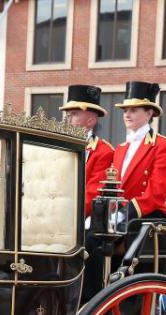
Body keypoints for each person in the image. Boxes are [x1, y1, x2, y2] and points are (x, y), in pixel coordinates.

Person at [112, 81, 166, 220]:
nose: (127, 115)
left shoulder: (163, 145)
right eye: (125, 111)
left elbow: (157, 192)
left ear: (148, 114)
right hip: (116, 214)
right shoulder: (120, 148)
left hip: (145, 215)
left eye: (133, 110)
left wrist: (125, 213)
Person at [59, 85, 114, 219]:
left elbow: (92, 194)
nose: (68, 119)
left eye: (74, 114)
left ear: (91, 121)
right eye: (67, 114)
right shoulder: (58, 145)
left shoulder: (103, 151)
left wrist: (66, 215)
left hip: (77, 219)